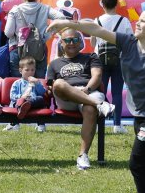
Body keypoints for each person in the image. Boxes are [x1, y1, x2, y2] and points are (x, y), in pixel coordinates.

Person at [48, 9, 145, 193]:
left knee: (137, 163)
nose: (138, 23)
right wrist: (67, 25)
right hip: (140, 114)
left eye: (143, 21)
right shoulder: (129, 42)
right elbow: (96, 29)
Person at [45, 28, 115, 170]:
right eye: (68, 40)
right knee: (59, 83)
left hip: (88, 92)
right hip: (66, 98)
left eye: (75, 40)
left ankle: (83, 156)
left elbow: (97, 76)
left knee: (90, 109)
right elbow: (52, 86)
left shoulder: (91, 57)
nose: (72, 43)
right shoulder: (54, 64)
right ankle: (100, 105)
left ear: (81, 43)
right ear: (61, 43)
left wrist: (87, 89)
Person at [4, 0, 64, 132]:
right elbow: (61, 17)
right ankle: (40, 122)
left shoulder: (15, 10)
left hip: (18, 50)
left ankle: (14, 122)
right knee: (39, 83)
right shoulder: (44, 8)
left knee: (17, 83)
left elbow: (8, 32)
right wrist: (47, 35)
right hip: (39, 50)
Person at [93, 0, 133, 134]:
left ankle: (99, 122)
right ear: (117, 4)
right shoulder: (124, 21)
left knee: (99, 92)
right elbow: (130, 41)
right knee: (117, 92)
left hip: (100, 61)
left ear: (102, 4)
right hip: (119, 60)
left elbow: (93, 43)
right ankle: (117, 125)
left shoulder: (96, 20)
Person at [3, 56, 48, 131]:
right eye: (27, 70)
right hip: (20, 102)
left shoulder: (36, 82)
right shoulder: (17, 83)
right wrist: (22, 97)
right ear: (20, 70)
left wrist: (37, 83)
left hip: (33, 103)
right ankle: (14, 124)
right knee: (16, 102)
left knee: (40, 99)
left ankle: (41, 125)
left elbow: (42, 92)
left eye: (32, 70)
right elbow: (12, 96)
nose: (30, 72)